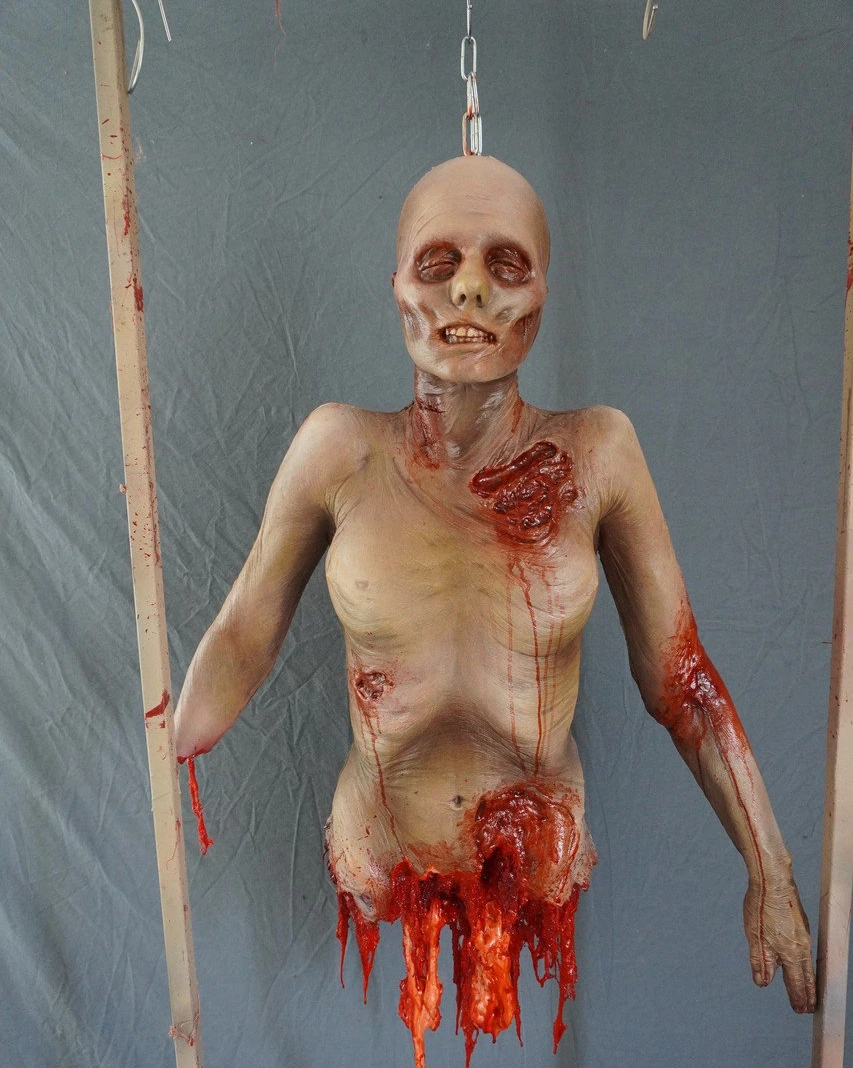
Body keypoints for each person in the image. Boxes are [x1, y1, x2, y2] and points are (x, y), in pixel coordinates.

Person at [174, 153, 816, 1018]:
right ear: (395, 287)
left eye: (505, 266)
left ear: (543, 293)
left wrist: (770, 867)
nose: (468, 291)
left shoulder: (596, 455)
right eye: (437, 264)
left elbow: (681, 684)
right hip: (379, 848)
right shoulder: (340, 452)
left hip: (536, 856)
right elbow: (245, 634)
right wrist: (166, 752)